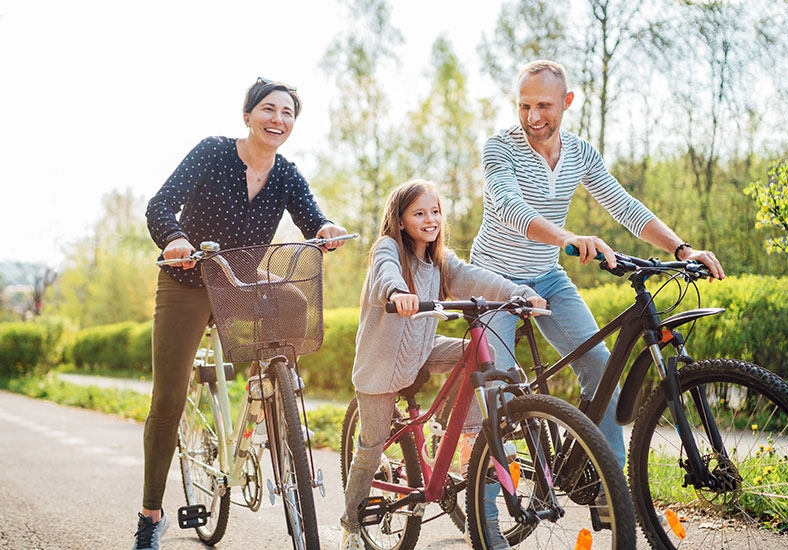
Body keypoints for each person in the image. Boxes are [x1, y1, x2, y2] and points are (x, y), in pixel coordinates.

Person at [471, 60, 725, 470]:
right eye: (524, 106)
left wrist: (683, 250)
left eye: (544, 106)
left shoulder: (580, 153)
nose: (533, 118)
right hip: (493, 281)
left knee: (601, 368)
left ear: (567, 101)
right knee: (497, 391)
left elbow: (625, 206)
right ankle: (488, 521)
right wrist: (567, 237)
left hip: (547, 277)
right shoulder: (500, 147)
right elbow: (507, 207)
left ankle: (612, 489)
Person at [136, 78, 348, 550]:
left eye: (288, 113)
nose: (278, 119)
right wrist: (174, 238)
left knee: (296, 302)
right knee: (167, 400)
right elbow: (160, 206)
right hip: (189, 279)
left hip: (242, 285)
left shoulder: (286, 173)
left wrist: (327, 228)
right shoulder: (212, 153)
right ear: (248, 115)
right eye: (269, 109)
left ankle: (266, 380)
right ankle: (150, 515)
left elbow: (313, 218)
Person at [339, 180, 547, 550]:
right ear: (401, 220)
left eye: (435, 212)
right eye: (419, 213)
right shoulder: (388, 248)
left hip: (422, 349)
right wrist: (398, 292)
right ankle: (351, 524)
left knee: (477, 350)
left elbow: (473, 278)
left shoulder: (440, 260)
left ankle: (466, 436)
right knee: (371, 447)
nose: (430, 219)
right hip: (380, 366)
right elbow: (384, 274)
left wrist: (520, 293)